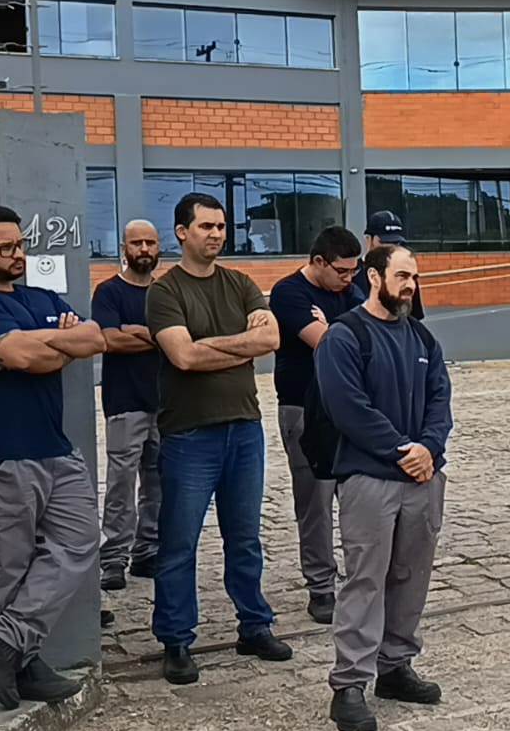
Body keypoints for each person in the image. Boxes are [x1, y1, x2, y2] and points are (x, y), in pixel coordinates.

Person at [0, 205, 105, 709]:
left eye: (20, 245)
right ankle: (23, 664)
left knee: (80, 540)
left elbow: (94, 337)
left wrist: (40, 346)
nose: (17, 254)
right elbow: (23, 356)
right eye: (5, 248)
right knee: (6, 570)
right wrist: (52, 344)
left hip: (53, 447)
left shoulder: (41, 297)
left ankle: (5, 640)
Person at [146, 193, 291, 685]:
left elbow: (271, 340)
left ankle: (254, 625)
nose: (216, 234)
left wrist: (210, 345)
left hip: (244, 428)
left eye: (221, 227)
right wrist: (239, 347)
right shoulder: (165, 292)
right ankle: (176, 639)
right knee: (179, 542)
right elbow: (183, 357)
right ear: (181, 232)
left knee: (245, 538)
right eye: (206, 226)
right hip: (190, 435)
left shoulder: (241, 283)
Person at [316, 245, 452, 731]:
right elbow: (347, 407)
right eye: (402, 275)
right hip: (370, 479)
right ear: (374, 277)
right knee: (366, 579)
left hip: (422, 478)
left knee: (411, 576)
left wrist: (429, 449)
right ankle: (350, 683)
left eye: (414, 277)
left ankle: (395, 666)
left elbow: (440, 400)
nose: (410, 285)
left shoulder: (422, 338)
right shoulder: (345, 336)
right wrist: (401, 450)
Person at [271, 225, 364, 624]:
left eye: (354, 271)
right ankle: (321, 586)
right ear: (318, 262)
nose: (349, 279)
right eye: (341, 271)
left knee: (360, 497)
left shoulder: (349, 290)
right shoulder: (289, 293)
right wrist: (341, 333)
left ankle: (362, 580)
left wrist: (334, 328)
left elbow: (372, 339)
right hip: (305, 409)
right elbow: (330, 347)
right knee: (315, 503)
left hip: (350, 408)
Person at [94, 219, 165, 592]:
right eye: (137, 243)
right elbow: (110, 340)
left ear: (159, 246)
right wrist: (158, 336)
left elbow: (183, 337)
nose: (144, 249)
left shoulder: (166, 292)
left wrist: (134, 330)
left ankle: (147, 551)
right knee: (120, 485)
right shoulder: (109, 292)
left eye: (150, 242)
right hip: (124, 401)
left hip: (166, 402)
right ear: (124, 247)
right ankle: (113, 559)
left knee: (158, 483)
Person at [353, 211, 424, 320]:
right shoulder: (351, 273)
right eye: (384, 243)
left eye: (396, 243)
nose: (390, 249)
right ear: (368, 240)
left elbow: (414, 317)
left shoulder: (406, 274)